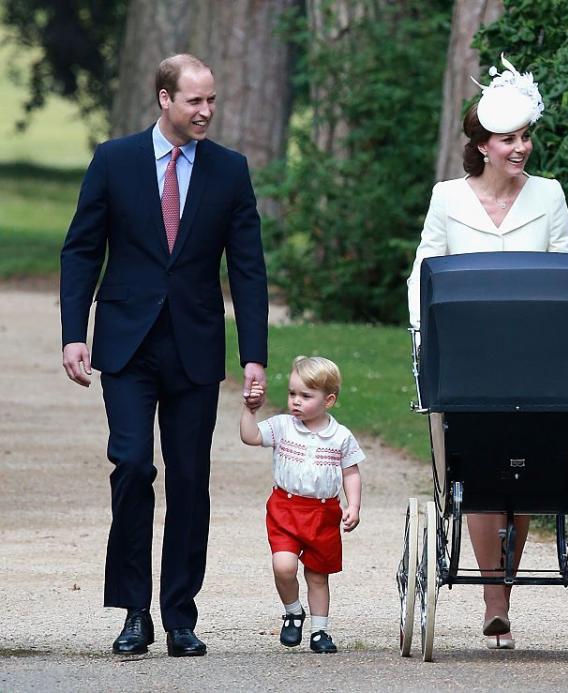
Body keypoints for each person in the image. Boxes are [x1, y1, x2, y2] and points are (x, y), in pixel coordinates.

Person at [59, 54, 268, 657]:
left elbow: (248, 270)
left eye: (211, 102)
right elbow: (81, 251)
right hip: (126, 344)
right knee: (131, 468)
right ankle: (133, 612)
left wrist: (253, 353)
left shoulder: (230, 171)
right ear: (163, 99)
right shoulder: (114, 160)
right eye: (194, 101)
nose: (205, 112)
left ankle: (179, 615)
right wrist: (76, 332)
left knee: (190, 481)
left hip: (195, 348)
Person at [407, 55, 568, 649]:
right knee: (477, 466)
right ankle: (494, 598)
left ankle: (500, 585)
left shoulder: (549, 196)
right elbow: (425, 270)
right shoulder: (448, 197)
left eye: (526, 136)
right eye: (509, 138)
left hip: (534, 355)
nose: (521, 147)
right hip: (467, 353)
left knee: (525, 467)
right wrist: (421, 335)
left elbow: (566, 277)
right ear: (482, 146)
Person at [239, 356, 363, 654]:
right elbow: (251, 436)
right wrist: (249, 410)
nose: (296, 401)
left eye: (306, 396)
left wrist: (353, 506)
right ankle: (293, 611)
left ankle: (320, 631)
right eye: (293, 393)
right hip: (285, 508)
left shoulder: (340, 437)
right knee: (284, 565)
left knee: (318, 575)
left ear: (328, 400)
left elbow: (351, 472)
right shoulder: (284, 426)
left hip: (323, 512)